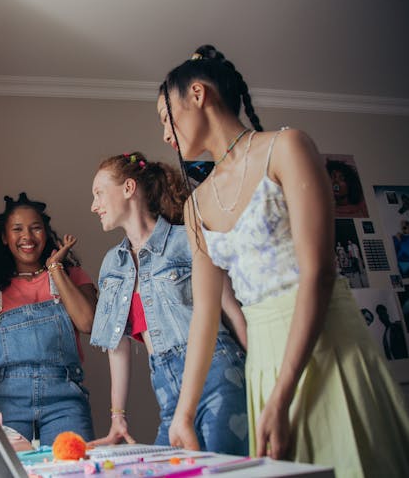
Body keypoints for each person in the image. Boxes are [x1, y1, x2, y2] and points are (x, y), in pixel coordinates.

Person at [157, 44, 409, 477]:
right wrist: (184, 412)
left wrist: (283, 394)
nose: (166, 135)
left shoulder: (287, 147)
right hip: (263, 365)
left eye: (166, 117)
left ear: (197, 94)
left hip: (326, 346)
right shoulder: (195, 207)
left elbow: (319, 272)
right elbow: (204, 313)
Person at [88, 152, 248, 454]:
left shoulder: (186, 239)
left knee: (225, 471)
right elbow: (116, 345)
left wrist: (265, 378)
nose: (93, 205)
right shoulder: (113, 263)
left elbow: (231, 311)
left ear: (128, 188)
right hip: (166, 385)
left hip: (218, 373)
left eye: (98, 193)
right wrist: (117, 417)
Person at [0, 192, 97, 445]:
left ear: (46, 233)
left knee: (74, 468)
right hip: (5, 400)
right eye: (17, 229)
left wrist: (56, 269)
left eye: (36, 228)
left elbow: (88, 323)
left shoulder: (71, 276)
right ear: (4, 237)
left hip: (65, 401)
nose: (27, 237)